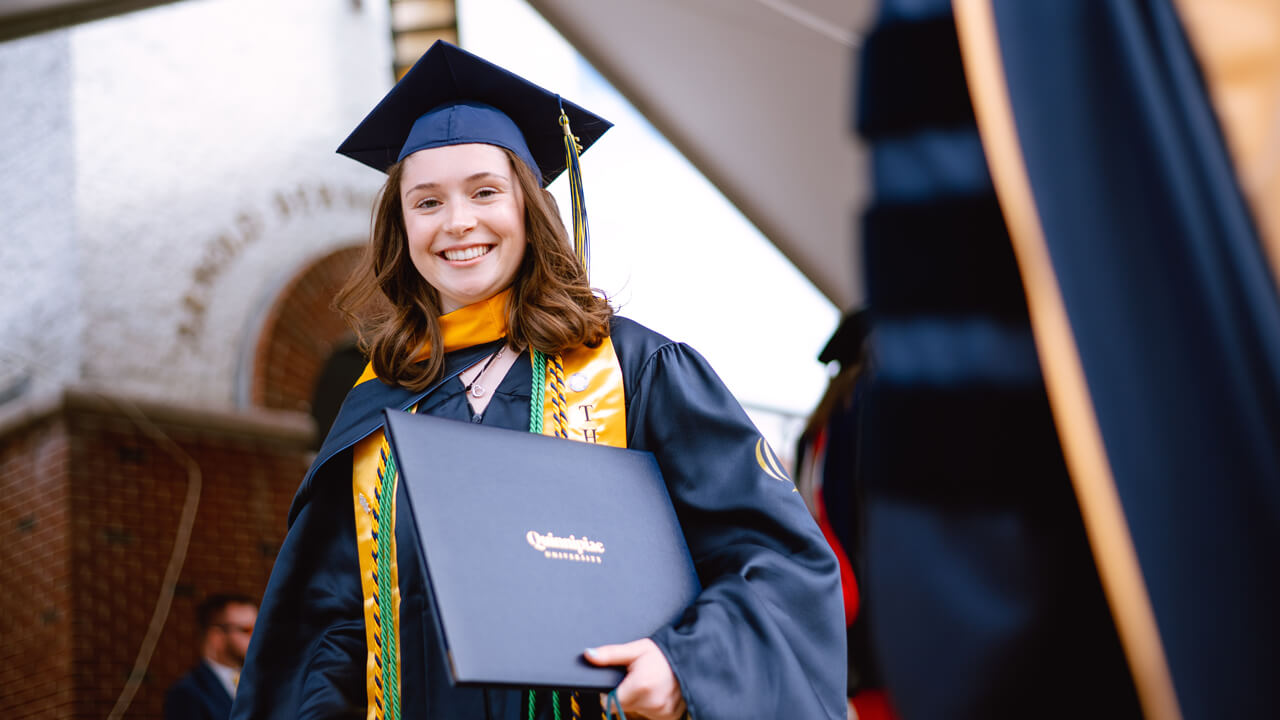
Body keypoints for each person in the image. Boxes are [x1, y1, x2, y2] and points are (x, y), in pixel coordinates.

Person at [231, 40, 845, 720]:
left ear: (529, 207)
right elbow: (333, 628)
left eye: (485, 192)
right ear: (400, 227)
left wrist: (684, 665)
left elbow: (777, 565)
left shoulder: (636, 370)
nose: (458, 222)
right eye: (426, 202)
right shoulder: (376, 408)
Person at [166, 593, 258, 720]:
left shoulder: (259, 683)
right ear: (216, 637)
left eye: (259, 629)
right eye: (248, 630)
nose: (256, 638)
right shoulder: (188, 694)